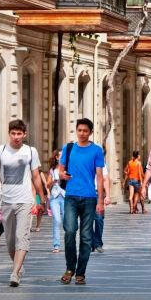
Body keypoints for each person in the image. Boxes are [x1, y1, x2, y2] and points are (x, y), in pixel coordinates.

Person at [0, 119, 45, 287]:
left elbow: (35, 176)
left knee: (22, 236)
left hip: (25, 200)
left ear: (24, 134)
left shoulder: (30, 151)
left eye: (19, 133)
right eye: (13, 133)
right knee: (10, 241)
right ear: (9, 134)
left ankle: (15, 273)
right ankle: (19, 265)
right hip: (6, 201)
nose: (16, 137)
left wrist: (41, 197)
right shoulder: (0, 150)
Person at [57, 118, 105, 284]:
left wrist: (100, 200)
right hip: (71, 196)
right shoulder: (68, 148)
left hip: (90, 198)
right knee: (69, 232)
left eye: (85, 131)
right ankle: (70, 267)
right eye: (80, 130)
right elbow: (60, 171)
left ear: (90, 132)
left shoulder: (97, 150)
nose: (82, 133)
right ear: (76, 131)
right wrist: (62, 175)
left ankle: (80, 272)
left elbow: (99, 177)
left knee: (85, 237)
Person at [91, 149, 111, 253]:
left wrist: (107, 195)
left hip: (98, 194)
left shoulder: (101, 163)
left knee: (99, 219)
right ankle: (91, 242)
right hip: (86, 194)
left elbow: (106, 179)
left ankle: (98, 243)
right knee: (87, 220)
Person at [46, 151, 64, 253]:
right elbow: (47, 185)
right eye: (60, 156)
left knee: (67, 222)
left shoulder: (68, 169)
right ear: (56, 157)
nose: (62, 157)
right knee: (57, 220)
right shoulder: (52, 170)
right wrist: (53, 180)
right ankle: (56, 245)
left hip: (66, 196)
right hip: (55, 197)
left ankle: (69, 242)